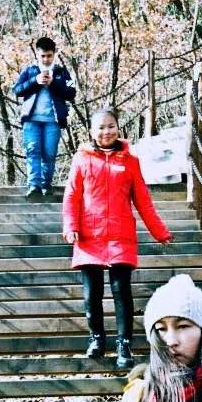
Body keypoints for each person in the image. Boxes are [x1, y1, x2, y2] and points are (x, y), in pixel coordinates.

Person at [62, 109, 173, 370]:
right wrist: (71, 226)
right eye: (101, 128)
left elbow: (142, 200)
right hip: (89, 236)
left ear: (118, 128)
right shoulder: (81, 159)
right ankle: (97, 338)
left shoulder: (130, 161)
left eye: (111, 126)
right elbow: (71, 196)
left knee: (121, 291)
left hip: (120, 235)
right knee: (92, 294)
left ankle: (124, 344)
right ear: (91, 130)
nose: (106, 132)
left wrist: (159, 231)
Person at [11, 36, 77, 198]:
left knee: (49, 153)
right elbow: (17, 90)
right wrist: (35, 81)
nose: (46, 59)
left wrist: (54, 83)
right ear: (37, 55)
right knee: (33, 151)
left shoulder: (61, 72)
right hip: (31, 119)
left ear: (54, 54)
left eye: (49, 55)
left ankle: (46, 184)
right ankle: (34, 186)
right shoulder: (30, 70)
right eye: (43, 56)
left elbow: (71, 93)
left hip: (52, 120)